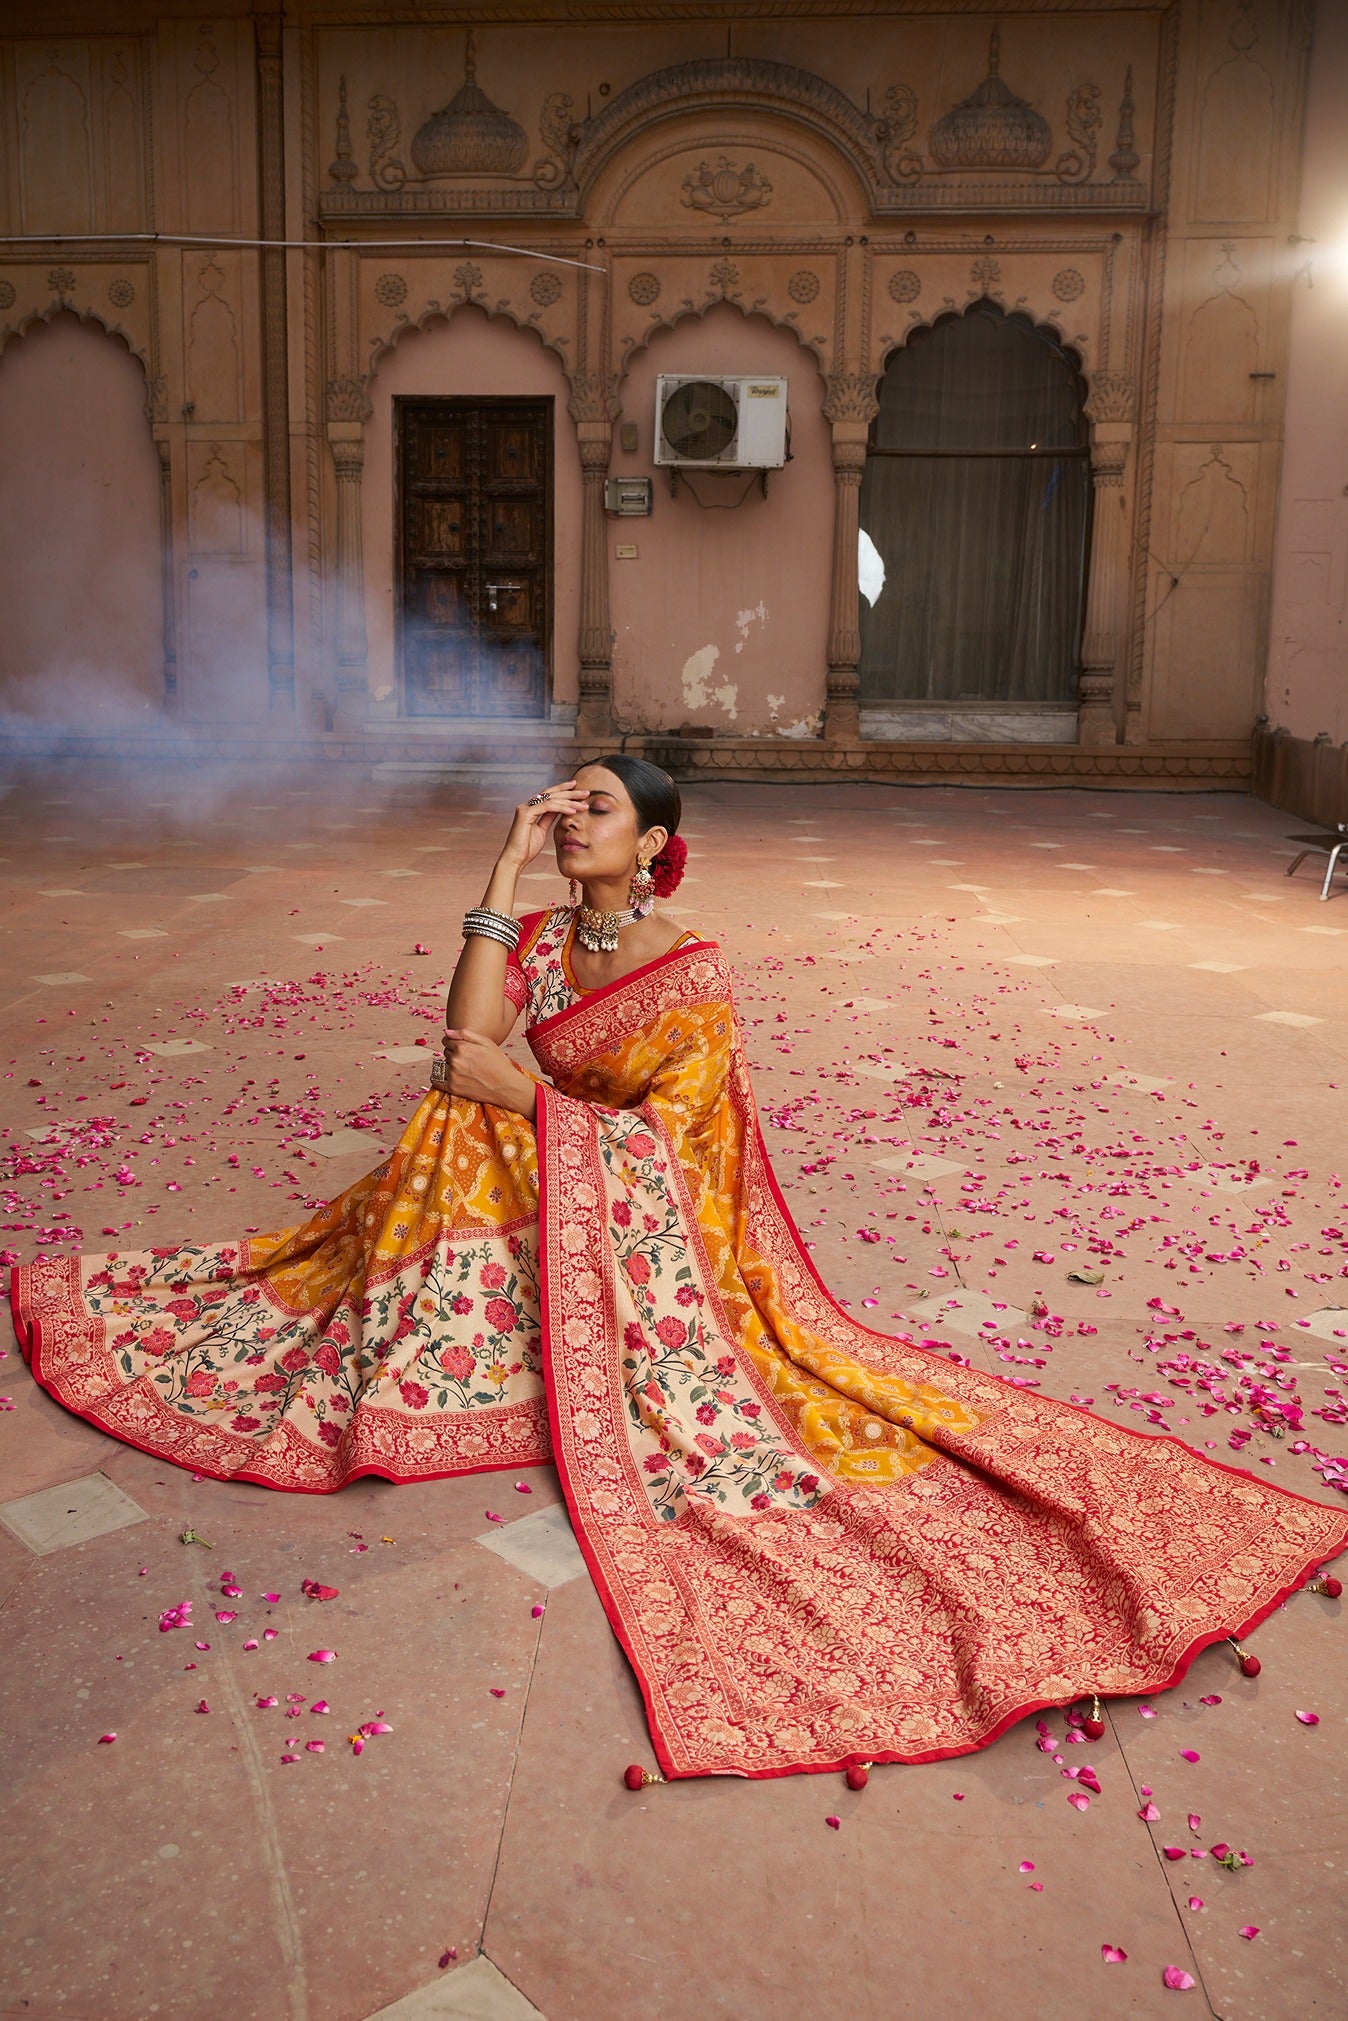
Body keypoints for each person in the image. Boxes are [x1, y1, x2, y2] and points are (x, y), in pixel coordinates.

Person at [12, 757, 1346, 1782]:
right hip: (558, 1182)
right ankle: (413, 1339)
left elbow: (687, 1156)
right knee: (450, 1118)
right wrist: (503, 863)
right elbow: (459, 1040)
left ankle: (415, 1350)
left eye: (596, 808)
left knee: (473, 1125)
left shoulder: (688, 969)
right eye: (565, 804)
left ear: (655, 844)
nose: (574, 819)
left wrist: (532, 1105)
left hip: (655, 1225)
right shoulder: (550, 937)